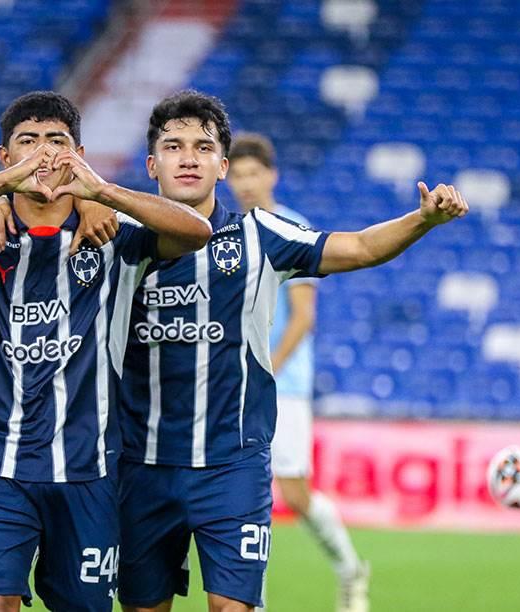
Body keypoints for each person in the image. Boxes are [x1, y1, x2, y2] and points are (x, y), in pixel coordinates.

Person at [34, 90, 464, 612]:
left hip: (232, 465)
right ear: (151, 164)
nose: (188, 157)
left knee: (232, 607)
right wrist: (72, 200)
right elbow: (16, 216)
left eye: (203, 147)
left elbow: (359, 246)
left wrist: (421, 220)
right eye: (173, 146)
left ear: (222, 167)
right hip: (139, 466)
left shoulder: (262, 235)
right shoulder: (111, 235)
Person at [0, 91, 212, 612]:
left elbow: (196, 231)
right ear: (4, 156)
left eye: (57, 142)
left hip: (87, 470)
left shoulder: (113, 235)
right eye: (27, 143)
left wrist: (101, 191)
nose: (43, 154)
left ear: (79, 153)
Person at [228, 133, 369, 612]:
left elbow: (303, 317)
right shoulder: (225, 229)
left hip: (280, 385)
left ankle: (351, 568)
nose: (245, 184)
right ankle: (252, 599)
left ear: (272, 175)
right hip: (232, 384)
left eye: (254, 174)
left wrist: (265, 370)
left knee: (295, 494)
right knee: (239, 495)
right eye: (238, 174)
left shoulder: (291, 226)